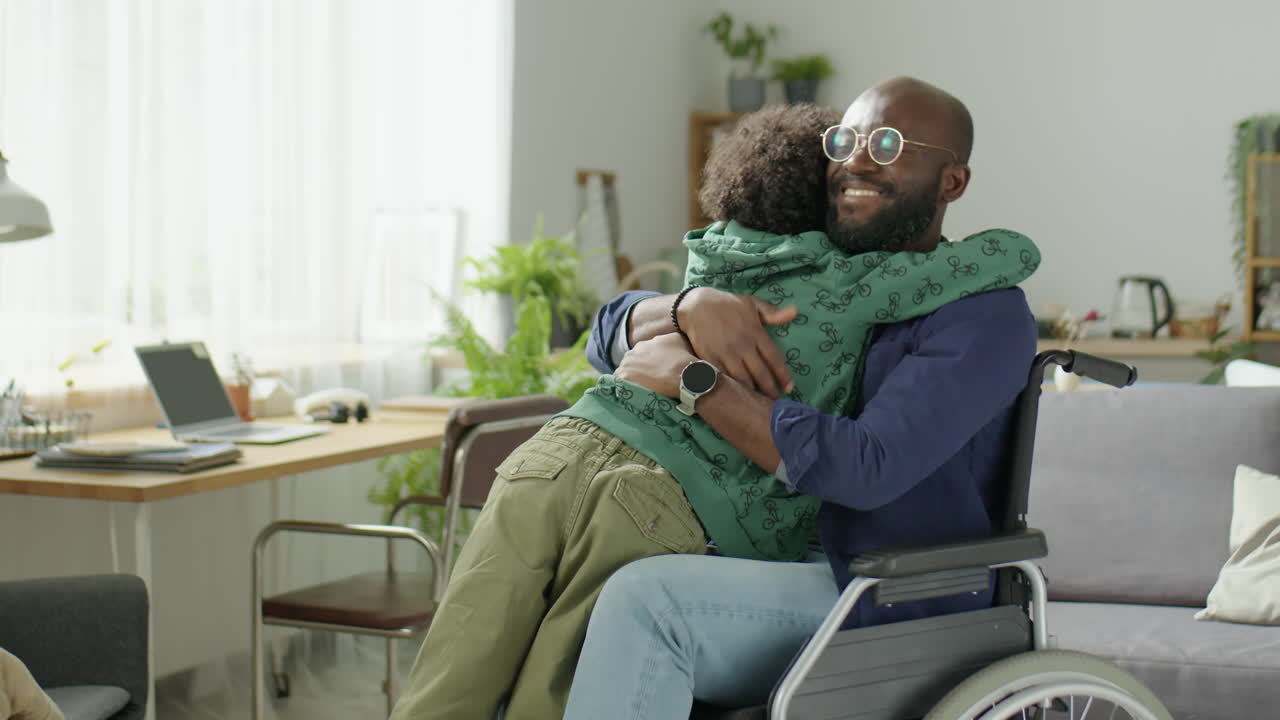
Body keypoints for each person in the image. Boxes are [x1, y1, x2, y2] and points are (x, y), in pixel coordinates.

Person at [390, 99, 1036, 720]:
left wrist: (695, 378)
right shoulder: (818, 262)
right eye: (844, 142)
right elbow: (605, 334)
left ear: (952, 179)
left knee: (641, 598)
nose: (856, 163)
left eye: (888, 145)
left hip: (876, 578)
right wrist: (684, 308)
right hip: (746, 543)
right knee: (507, 631)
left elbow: (867, 469)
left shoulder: (981, 312)